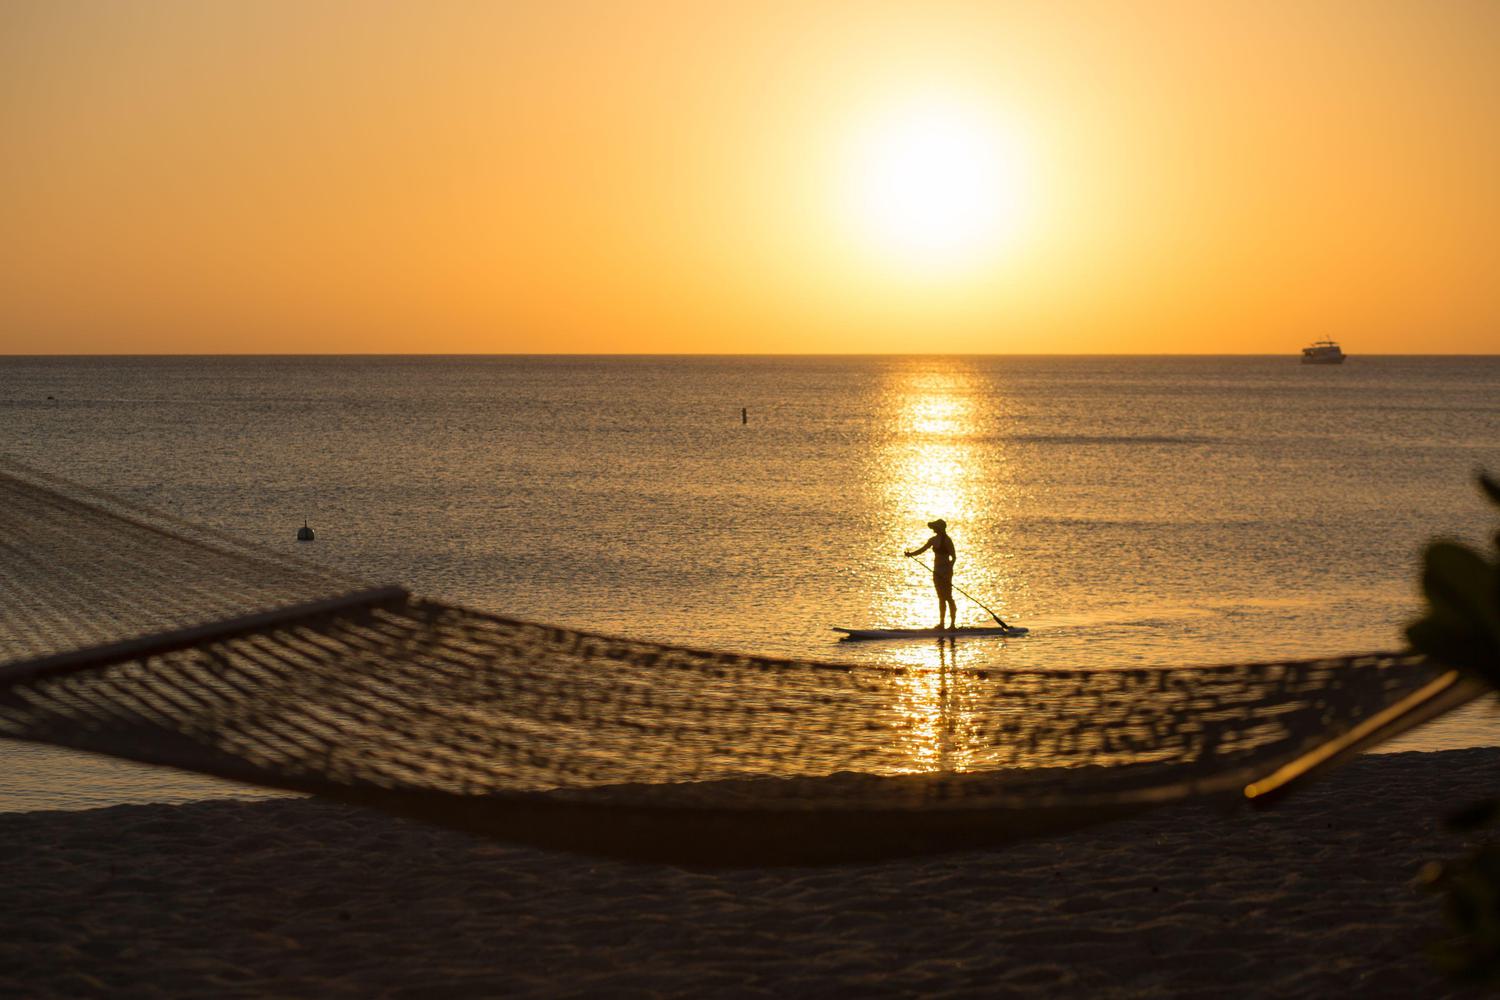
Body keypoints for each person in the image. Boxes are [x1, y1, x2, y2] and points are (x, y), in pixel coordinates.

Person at [905, 518, 957, 629]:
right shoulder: (933, 540)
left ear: (940, 528)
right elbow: (922, 550)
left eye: (936, 528)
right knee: (941, 597)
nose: (933, 529)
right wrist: (911, 554)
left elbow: (954, 557)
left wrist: (948, 570)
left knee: (948, 597)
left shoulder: (948, 541)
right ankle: (942, 624)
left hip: (946, 572)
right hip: (936, 571)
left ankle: (952, 625)